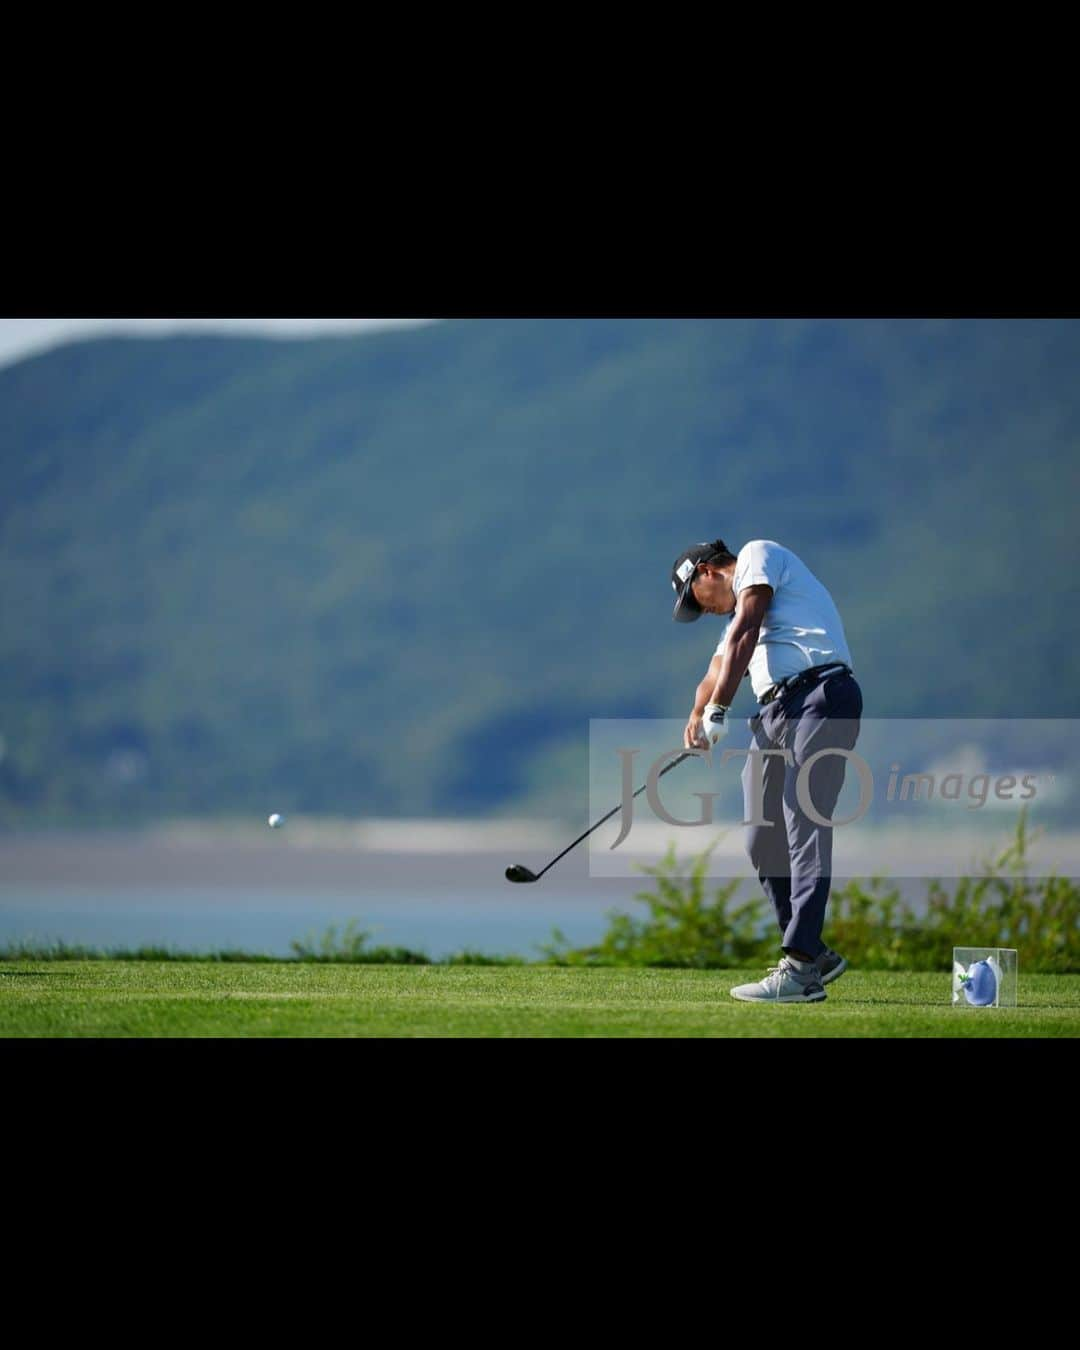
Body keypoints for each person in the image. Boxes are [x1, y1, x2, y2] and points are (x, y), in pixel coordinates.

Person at [671, 538, 863, 1004]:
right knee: (761, 834)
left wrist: (720, 706)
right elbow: (717, 667)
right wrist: (698, 715)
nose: (708, 612)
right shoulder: (734, 619)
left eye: (696, 601)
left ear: (706, 573)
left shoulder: (758, 556)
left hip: (820, 697)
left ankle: (798, 969)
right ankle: (813, 953)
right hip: (774, 714)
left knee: (804, 825)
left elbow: (748, 629)